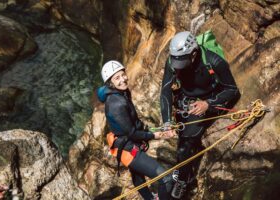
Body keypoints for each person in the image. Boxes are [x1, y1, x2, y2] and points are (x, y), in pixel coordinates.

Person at [160, 31, 241, 199]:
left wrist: (208, 104)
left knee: (186, 144)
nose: (177, 66)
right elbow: (166, 91)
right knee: (183, 138)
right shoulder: (172, 61)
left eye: (181, 62)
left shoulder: (214, 61)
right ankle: (184, 167)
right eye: (176, 61)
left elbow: (232, 90)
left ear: (194, 54)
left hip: (208, 99)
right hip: (186, 97)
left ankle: (184, 181)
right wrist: (167, 121)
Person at [97, 60, 176, 200]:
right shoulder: (117, 104)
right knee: (166, 178)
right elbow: (132, 133)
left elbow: (134, 123)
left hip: (127, 143)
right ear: (110, 83)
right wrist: (155, 135)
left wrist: (152, 130)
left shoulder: (121, 93)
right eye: (117, 78)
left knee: (138, 177)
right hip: (128, 147)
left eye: (123, 75)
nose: (123, 79)